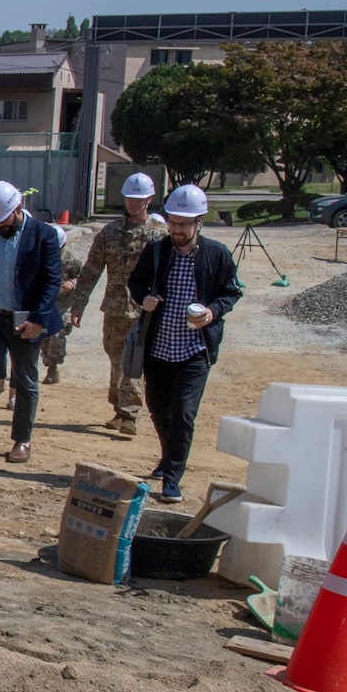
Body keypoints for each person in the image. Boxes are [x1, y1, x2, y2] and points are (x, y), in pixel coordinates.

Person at [126, 183, 242, 503]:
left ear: (198, 222)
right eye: (173, 223)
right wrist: (145, 299)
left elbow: (231, 292)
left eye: (184, 224)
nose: (177, 230)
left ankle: (173, 477)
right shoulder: (157, 252)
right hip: (159, 347)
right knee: (158, 408)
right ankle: (168, 456)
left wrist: (212, 311)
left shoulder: (216, 255)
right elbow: (135, 283)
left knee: (184, 414)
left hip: (194, 350)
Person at [0, 182, 64, 464]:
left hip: (25, 319)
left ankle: (22, 440)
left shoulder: (44, 236)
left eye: (3, 219)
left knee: (26, 379)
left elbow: (51, 281)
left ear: (18, 210)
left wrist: (38, 320)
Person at [65, 171, 164, 437]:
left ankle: (130, 412)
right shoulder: (109, 234)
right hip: (116, 308)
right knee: (116, 357)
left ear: (149, 199)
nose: (134, 203)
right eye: (130, 198)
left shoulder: (158, 236)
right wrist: (78, 305)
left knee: (136, 359)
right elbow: (90, 271)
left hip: (147, 309)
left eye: (139, 199)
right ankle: (120, 408)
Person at [41, 248, 84, 384]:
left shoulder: (71, 259)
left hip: (63, 305)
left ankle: (53, 369)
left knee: (57, 334)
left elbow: (83, 277)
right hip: (44, 302)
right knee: (44, 336)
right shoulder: (40, 256)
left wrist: (72, 283)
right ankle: (47, 361)